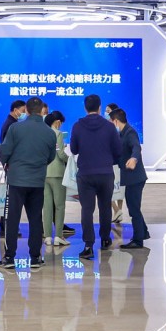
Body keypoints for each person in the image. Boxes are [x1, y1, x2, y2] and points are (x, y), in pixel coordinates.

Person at [0, 96, 56, 269]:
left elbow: (4, 151)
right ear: (42, 111)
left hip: (16, 180)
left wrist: (8, 163)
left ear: (27, 111)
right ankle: (35, 257)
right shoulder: (49, 132)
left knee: (12, 219)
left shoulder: (15, 128)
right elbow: (50, 157)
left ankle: (9, 257)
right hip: (37, 181)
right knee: (35, 219)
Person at [70, 94, 122, 260]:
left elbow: (74, 149)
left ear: (85, 108)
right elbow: (118, 150)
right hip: (105, 173)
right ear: (100, 108)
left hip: (85, 173)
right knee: (105, 207)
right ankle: (105, 239)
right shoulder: (109, 127)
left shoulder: (77, 126)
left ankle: (88, 245)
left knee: (87, 210)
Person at [111, 108, 148, 249]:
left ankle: (138, 240)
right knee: (134, 206)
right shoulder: (121, 134)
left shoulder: (130, 132)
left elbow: (136, 148)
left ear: (116, 121)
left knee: (133, 209)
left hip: (135, 177)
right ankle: (143, 232)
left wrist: (134, 158)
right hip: (130, 177)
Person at [0, 99, 28, 238]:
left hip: (12, 166)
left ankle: (6, 226)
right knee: (11, 199)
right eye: (23, 111)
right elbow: (6, 148)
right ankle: (8, 227)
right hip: (12, 167)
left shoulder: (12, 123)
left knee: (10, 198)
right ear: (15, 110)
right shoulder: (11, 125)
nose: (24, 113)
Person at [43, 111, 70, 246]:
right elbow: (60, 154)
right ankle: (59, 236)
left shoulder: (42, 133)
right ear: (58, 122)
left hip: (44, 173)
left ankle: (47, 236)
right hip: (57, 173)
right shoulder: (58, 134)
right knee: (59, 206)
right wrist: (70, 160)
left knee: (47, 207)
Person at [105, 102, 125, 222]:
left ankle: (119, 211)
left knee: (119, 188)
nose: (106, 113)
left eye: (108, 111)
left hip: (118, 162)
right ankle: (117, 210)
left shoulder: (118, 127)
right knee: (109, 189)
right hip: (109, 162)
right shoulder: (105, 126)